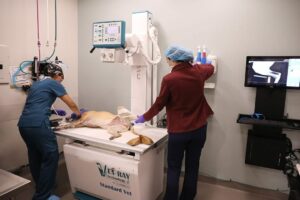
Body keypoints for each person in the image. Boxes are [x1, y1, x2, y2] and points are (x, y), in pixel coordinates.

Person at [135, 45, 214, 200]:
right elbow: (210, 67)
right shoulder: (199, 72)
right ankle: (188, 197)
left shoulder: (169, 79)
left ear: (174, 60)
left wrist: (143, 118)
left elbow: (159, 104)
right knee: (193, 166)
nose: (166, 60)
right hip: (199, 130)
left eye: (168, 58)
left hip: (179, 132)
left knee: (174, 168)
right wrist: (198, 63)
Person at [18, 63, 81, 200]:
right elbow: (71, 103)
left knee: (35, 157)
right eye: (61, 79)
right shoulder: (54, 83)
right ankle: (42, 195)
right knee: (51, 156)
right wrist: (78, 113)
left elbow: (35, 104)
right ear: (58, 75)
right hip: (39, 125)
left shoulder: (36, 85)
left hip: (23, 125)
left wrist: (52, 111)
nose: (61, 81)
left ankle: (41, 186)